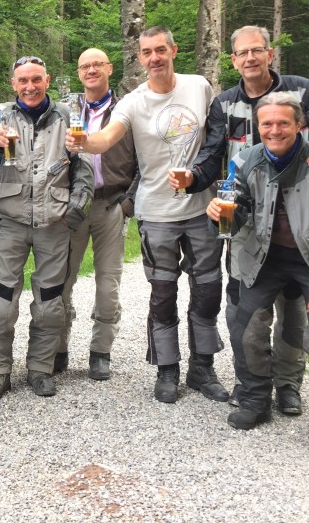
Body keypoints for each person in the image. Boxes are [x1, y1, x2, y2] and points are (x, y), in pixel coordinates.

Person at [188, 24, 309, 415]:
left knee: (294, 313)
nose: (250, 58)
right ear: (233, 60)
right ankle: (251, 386)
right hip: (247, 222)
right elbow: (212, 155)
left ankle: (288, 384)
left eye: (257, 50)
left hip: (300, 222)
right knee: (244, 312)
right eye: (243, 53)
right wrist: (193, 180)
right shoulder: (224, 104)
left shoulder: (303, 91)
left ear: (269, 54)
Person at [76, 27, 227, 405]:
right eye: (147, 52)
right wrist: (84, 141)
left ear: (174, 50)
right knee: (162, 293)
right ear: (140, 57)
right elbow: (105, 139)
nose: (155, 57)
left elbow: (217, 139)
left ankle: (202, 367)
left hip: (200, 207)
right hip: (156, 212)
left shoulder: (199, 86)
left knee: (208, 289)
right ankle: (167, 369)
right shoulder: (133, 102)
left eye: (161, 50)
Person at [208, 92, 309, 442]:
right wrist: (218, 215)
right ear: (258, 126)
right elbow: (234, 216)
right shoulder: (244, 161)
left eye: (283, 123)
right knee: (246, 329)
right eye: (267, 124)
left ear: (299, 125)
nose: (274, 130)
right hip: (262, 258)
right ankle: (255, 400)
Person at [0, 55, 93, 401]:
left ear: (47, 80)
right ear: (14, 84)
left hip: (54, 223)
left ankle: (41, 369)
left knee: (50, 302)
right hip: (11, 221)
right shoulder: (0, 114)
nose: (30, 86)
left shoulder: (68, 115)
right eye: (23, 80)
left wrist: (74, 213)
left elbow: (84, 168)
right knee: (0, 300)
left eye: (36, 79)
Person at [55, 48, 138, 380]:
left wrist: (128, 204)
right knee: (62, 280)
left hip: (110, 204)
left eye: (97, 65)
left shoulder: (127, 110)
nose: (91, 70)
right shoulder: (65, 109)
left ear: (109, 68)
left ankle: (100, 351)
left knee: (108, 283)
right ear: (78, 73)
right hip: (73, 206)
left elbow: (145, 161)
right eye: (84, 66)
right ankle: (58, 348)